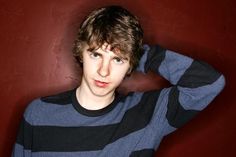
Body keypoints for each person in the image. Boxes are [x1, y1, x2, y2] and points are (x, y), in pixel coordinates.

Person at [12, 5, 225, 157]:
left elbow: (209, 83)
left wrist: (139, 54)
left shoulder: (148, 114)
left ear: (131, 63)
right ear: (80, 52)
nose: (104, 71)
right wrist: (122, 53)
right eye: (96, 55)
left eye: (117, 60)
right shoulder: (38, 113)